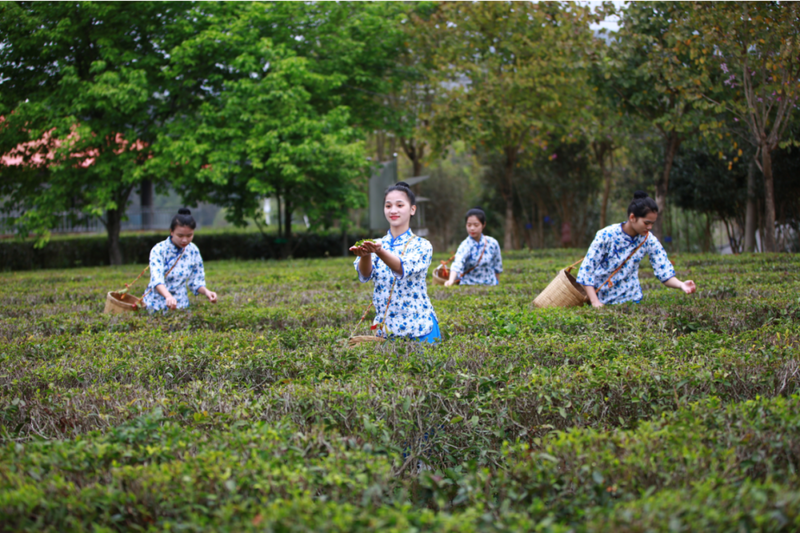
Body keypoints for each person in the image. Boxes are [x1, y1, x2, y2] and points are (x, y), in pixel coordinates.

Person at [350, 182, 440, 343]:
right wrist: (365, 255)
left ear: (412, 209)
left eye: (400, 205)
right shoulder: (375, 243)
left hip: (419, 329)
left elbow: (401, 267)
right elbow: (365, 274)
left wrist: (378, 251)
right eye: (388, 205)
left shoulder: (422, 245)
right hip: (385, 331)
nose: (393, 210)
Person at [576, 191, 696, 307]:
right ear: (632, 217)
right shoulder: (606, 235)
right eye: (646, 223)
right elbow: (587, 271)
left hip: (632, 302)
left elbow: (664, 271)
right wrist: (595, 302)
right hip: (603, 301)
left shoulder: (649, 240)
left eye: (652, 224)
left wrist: (681, 284)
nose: (649, 227)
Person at [143, 208, 218, 312]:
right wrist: (168, 296)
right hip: (156, 306)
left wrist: (207, 292)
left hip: (181, 307)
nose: (184, 240)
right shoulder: (159, 250)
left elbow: (196, 281)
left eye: (189, 235)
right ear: (171, 232)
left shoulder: (193, 250)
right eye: (180, 235)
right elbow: (157, 279)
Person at [445, 207, 503, 286]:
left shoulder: (492, 243)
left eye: (476, 225)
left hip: (490, 284)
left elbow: (497, 266)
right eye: (469, 225)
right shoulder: (465, 245)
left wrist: (498, 284)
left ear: (483, 224)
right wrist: (451, 280)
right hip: (468, 284)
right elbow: (457, 263)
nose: (472, 228)